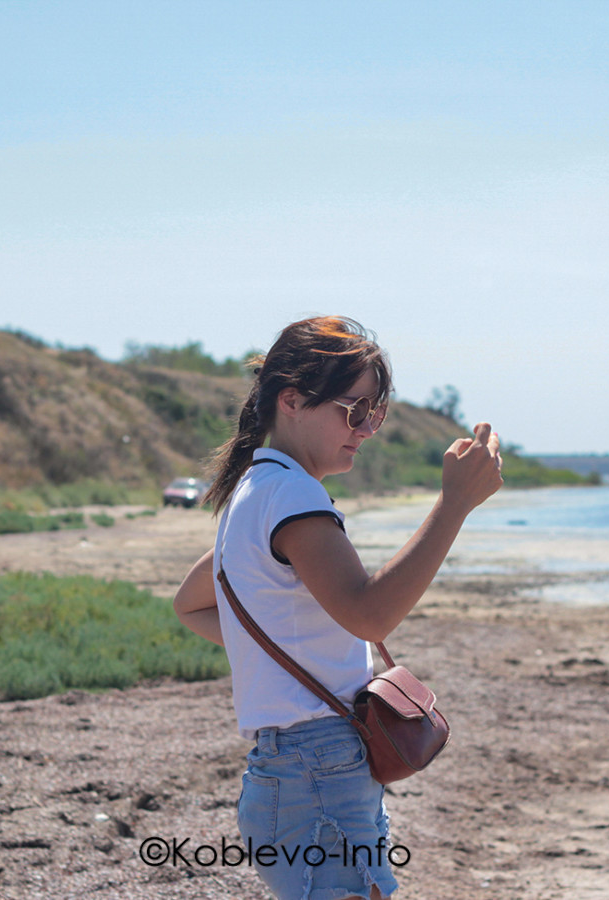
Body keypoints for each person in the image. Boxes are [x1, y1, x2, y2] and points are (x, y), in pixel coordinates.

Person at [173, 316, 503, 900]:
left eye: (374, 412)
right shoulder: (293, 494)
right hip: (316, 772)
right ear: (292, 401)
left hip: (290, 772)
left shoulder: (252, 490)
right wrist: (454, 505)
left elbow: (192, 604)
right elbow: (371, 615)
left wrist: (283, 649)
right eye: (354, 411)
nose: (367, 428)